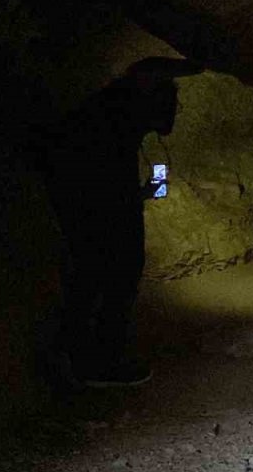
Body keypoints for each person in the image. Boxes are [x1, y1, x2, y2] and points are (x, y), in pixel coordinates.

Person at [29, 57, 203, 388]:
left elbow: (101, 179)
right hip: (96, 213)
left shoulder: (108, 113)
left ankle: (79, 359)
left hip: (87, 208)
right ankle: (98, 365)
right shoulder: (117, 116)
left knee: (92, 280)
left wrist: (138, 195)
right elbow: (101, 181)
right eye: (170, 102)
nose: (174, 112)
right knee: (112, 279)